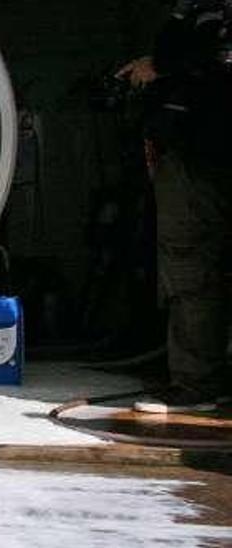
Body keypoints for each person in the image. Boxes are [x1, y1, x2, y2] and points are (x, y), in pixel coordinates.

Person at [117, 0, 232, 414]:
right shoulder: (196, 10)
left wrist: (163, 66)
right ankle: (198, 381)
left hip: (207, 151)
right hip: (189, 151)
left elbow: (215, 59)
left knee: (192, 265)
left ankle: (199, 382)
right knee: (189, 267)